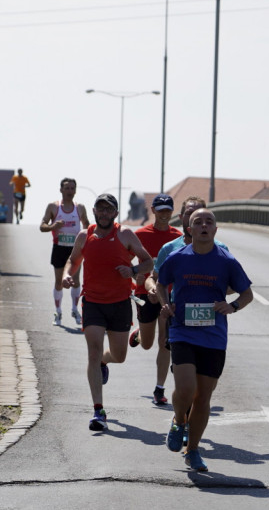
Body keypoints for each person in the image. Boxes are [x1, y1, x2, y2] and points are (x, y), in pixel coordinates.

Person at [157, 207, 253, 472]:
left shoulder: (227, 261)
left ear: (215, 230)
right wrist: (165, 305)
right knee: (186, 388)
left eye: (208, 222)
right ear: (189, 229)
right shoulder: (177, 258)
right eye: (197, 222)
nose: (203, 225)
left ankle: (193, 450)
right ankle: (179, 421)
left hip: (213, 336)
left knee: (203, 398)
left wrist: (231, 307)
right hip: (182, 331)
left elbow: (246, 294)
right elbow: (160, 283)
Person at [62, 193, 154, 432]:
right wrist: (68, 276)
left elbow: (148, 262)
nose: (104, 213)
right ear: (94, 211)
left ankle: (106, 360)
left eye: (108, 210)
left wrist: (132, 269)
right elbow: (73, 261)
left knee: (119, 355)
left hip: (120, 303)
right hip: (92, 302)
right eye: (100, 209)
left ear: (114, 213)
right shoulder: (85, 236)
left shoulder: (124, 234)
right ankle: (98, 410)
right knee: (92, 352)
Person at [130, 194, 182, 406]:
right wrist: (136, 276)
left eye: (167, 210)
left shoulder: (178, 237)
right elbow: (127, 264)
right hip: (144, 293)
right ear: (153, 210)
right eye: (160, 210)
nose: (164, 214)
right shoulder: (140, 234)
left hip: (169, 295)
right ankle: (140, 333)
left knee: (165, 343)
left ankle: (159, 388)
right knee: (147, 344)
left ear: (172, 211)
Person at [40, 177, 90, 327]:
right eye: (67, 188)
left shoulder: (79, 207)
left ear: (75, 190)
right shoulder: (53, 207)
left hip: (75, 249)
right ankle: (58, 311)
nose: (69, 191)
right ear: (61, 189)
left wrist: (87, 236)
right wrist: (53, 226)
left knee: (75, 280)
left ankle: (75, 309)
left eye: (72, 188)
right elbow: (42, 226)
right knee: (59, 281)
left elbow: (87, 226)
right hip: (59, 247)